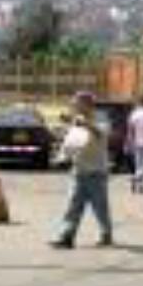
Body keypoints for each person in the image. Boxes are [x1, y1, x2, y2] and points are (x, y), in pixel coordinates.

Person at [51, 92, 112, 248]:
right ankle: (67, 236)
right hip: (78, 171)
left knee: (100, 208)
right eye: (74, 104)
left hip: (96, 172)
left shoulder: (100, 119)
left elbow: (100, 133)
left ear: (88, 104)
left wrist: (85, 124)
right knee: (72, 206)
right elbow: (70, 144)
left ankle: (105, 233)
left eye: (77, 103)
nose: (74, 106)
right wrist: (61, 157)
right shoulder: (75, 122)